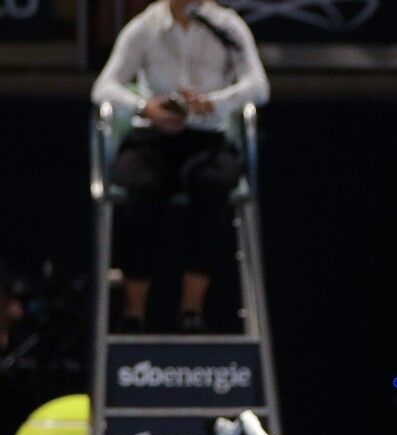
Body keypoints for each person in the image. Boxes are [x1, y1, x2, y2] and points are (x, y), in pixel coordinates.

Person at [91, 0, 269, 334]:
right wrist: (145, 107)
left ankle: (192, 311)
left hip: (207, 140)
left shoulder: (227, 26)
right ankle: (133, 314)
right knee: (141, 187)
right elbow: (103, 88)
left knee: (212, 184)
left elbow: (259, 86)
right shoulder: (145, 27)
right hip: (153, 140)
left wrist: (214, 103)